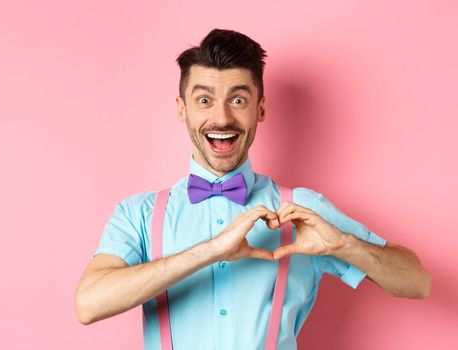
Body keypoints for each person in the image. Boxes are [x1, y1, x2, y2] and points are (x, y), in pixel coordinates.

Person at [73, 28, 432, 350]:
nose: (223, 118)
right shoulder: (139, 214)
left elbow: (417, 282)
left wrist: (342, 243)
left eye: (238, 100)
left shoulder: (303, 210)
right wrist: (211, 250)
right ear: (182, 110)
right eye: (204, 100)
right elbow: (89, 304)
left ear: (260, 109)